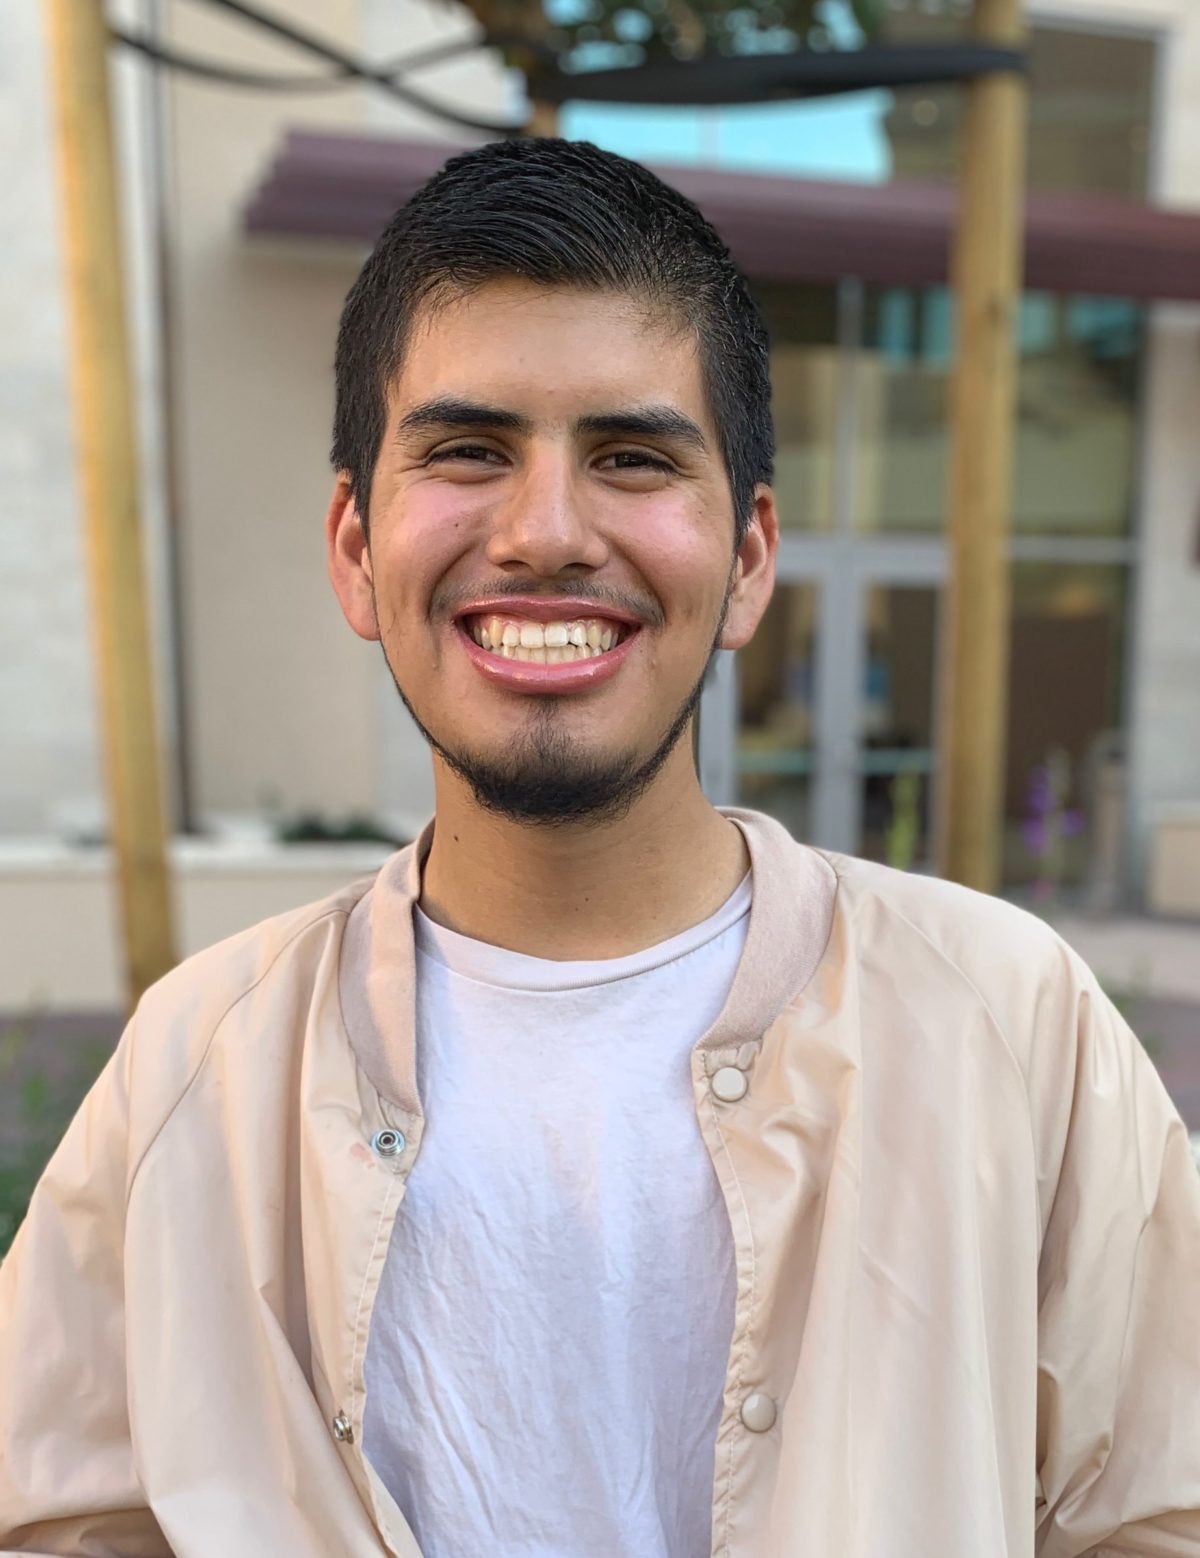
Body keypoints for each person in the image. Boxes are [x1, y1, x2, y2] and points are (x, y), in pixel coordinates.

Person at [1, 137, 1198, 1558]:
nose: (547, 532)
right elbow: (64, 1521)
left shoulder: (1009, 1020)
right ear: (352, 545)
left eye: (630, 456)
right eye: (467, 451)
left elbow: (1153, 1512)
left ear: (749, 557)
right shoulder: (196, 1069)